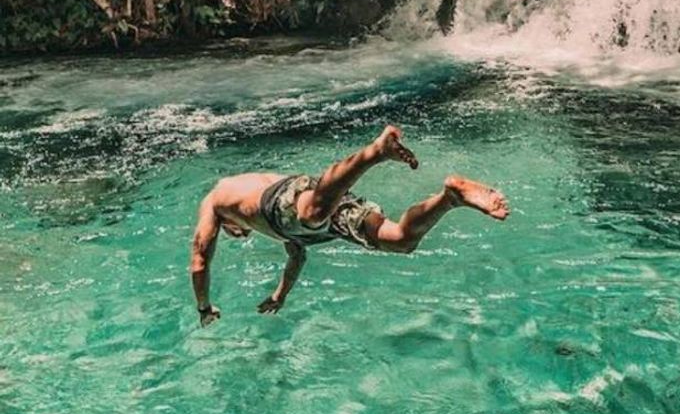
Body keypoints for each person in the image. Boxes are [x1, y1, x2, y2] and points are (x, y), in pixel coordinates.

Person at [189, 125, 509, 324]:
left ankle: (375, 153)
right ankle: (450, 197)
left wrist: (204, 307)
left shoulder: (215, 200)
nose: (240, 233)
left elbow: (199, 260)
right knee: (400, 239)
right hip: (313, 206)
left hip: (289, 200)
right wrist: (280, 295)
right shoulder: (277, 225)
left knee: (311, 213)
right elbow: (297, 255)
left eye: (236, 232)